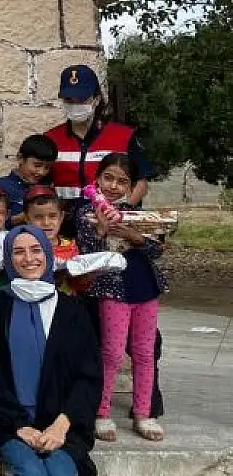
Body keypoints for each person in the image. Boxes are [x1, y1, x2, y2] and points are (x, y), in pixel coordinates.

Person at [0, 225, 101, 476]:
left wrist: (62, 424)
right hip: (11, 422)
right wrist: (19, 425)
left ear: (48, 253)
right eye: (18, 251)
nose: (28, 258)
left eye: (36, 250)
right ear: (8, 258)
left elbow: (88, 376)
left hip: (63, 423)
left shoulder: (72, 311)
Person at [75, 153, 168, 443]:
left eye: (122, 182)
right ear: (98, 179)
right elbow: (88, 254)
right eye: (108, 178)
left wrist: (134, 235)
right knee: (112, 353)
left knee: (145, 351)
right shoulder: (85, 212)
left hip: (144, 287)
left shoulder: (137, 215)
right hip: (113, 290)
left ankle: (143, 412)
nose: (114, 186)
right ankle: (101, 413)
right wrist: (102, 230)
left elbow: (156, 249)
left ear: (130, 188)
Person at [44, 64, 153, 235]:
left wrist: (124, 211)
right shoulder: (51, 139)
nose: (75, 105)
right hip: (66, 227)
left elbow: (141, 181)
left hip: (113, 223)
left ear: (96, 100)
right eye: (69, 100)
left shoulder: (123, 136)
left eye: (82, 100)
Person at [0, 134, 57, 228]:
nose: (42, 172)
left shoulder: (47, 190)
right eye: (37, 165)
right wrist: (20, 218)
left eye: (47, 167)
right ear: (20, 158)